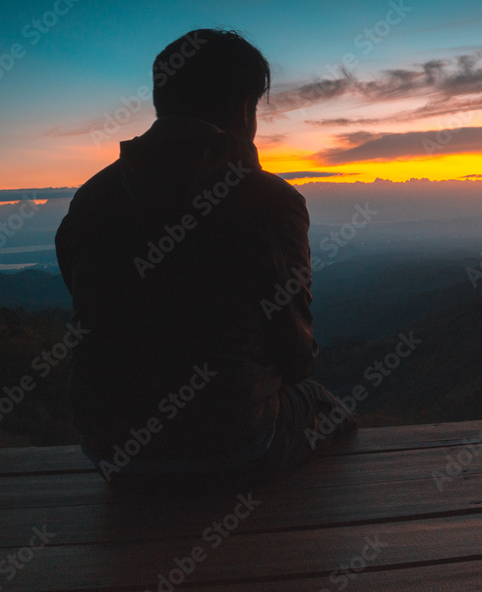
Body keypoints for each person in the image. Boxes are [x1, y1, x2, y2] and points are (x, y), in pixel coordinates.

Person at [55, 28, 356, 489]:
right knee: (326, 406)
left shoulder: (91, 198)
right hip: (236, 450)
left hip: (111, 452)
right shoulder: (267, 199)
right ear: (243, 109)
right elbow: (296, 356)